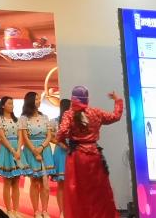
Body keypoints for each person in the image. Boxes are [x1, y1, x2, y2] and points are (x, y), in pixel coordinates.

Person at [55, 86, 123, 218]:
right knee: (97, 191)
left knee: (77, 191)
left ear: (73, 99)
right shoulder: (96, 112)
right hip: (94, 155)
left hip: (77, 158)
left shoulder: (69, 114)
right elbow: (115, 116)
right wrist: (117, 100)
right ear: (87, 99)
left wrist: (64, 142)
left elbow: (61, 132)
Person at [19, 92, 54, 218]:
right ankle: (36, 211)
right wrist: (34, 150)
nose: (39, 101)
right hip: (30, 150)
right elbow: (25, 137)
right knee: (34, 181)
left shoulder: (45, 117)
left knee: (44, 181)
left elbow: (49, 135)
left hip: (45, 150)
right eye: (37, 99)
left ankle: (45, 210)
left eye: (39, 99)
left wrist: (42, 147)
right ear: (30, 101)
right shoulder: (23, 118)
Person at [0, 96, 24, 218]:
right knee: (7, 182)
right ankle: (9, 210)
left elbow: (20, 136)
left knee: (16, 182)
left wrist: (19, 150)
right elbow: (2, 138)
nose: (12, 106)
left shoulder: (17, 120)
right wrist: (12, 150)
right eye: (9, 103)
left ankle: (16, 210)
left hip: (17, 150)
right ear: (3, 105)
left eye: (12, 103)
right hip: (7, 150)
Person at [50, 99, 71, 218]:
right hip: (60, 153)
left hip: (72, 153)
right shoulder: (55, 121)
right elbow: (51, 137)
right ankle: (62, 212)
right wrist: (60, 143)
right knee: (61, 184)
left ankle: (71, 210)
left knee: (72, 185)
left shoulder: (74, 122)